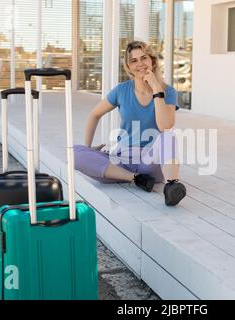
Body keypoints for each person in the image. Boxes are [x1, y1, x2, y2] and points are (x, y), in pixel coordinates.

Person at [74, 40, 186, 206]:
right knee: (75, 153)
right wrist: (88, 146)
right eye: (134, 61)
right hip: (122, 163)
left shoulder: (167, 91)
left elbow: (165, 126)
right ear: (128, 66)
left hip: (151, 161)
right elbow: (94, 114)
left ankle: (172, 186)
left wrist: (156, 87)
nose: (140, 64)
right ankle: (136, 179)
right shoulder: (121, 90)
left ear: (152, 61)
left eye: (144, 58)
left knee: (168, 136)